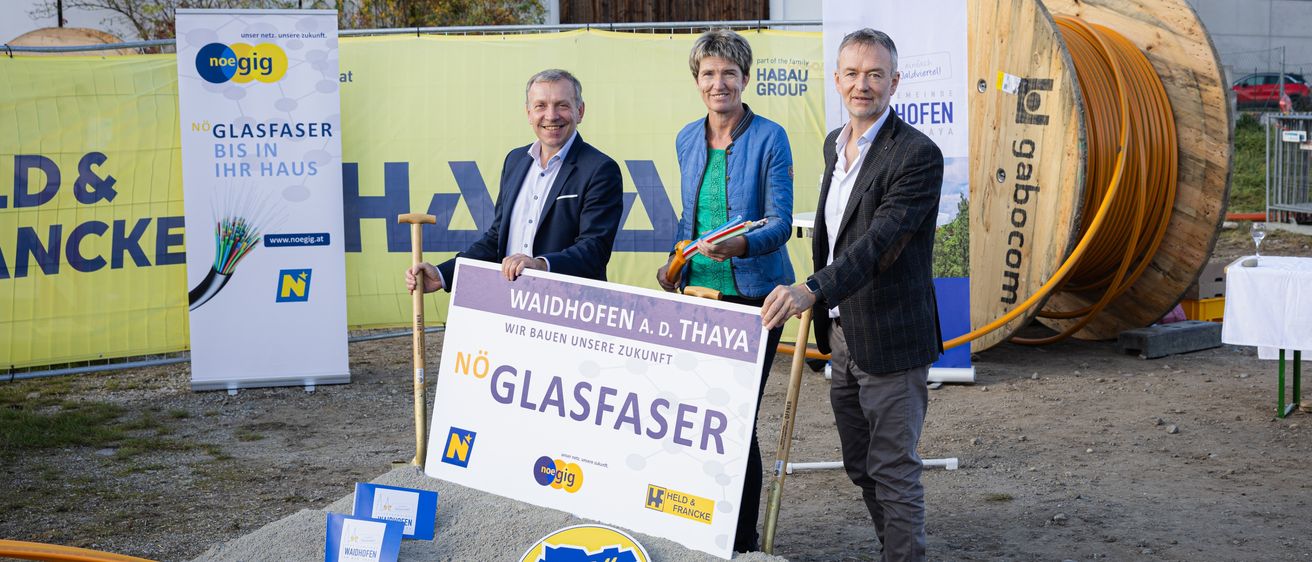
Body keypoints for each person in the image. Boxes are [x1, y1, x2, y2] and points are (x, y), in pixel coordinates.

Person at [760, 28, 943, 562]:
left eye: (875, 74)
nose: (862, 85)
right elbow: (834, 232)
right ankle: (895, 547)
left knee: (893, 466)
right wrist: (823, 300)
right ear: (837, 79)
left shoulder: (917, 154)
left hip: (891, 333)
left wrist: (810, 289)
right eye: (852, 74)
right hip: (841, 332)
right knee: (861, 464)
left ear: (894, 82)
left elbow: (879, 243)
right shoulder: (833, 144)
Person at [655, 28, 794, 553]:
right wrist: (675, 266)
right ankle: (697, 529)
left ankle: (741, 542)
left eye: (729, 74)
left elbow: (779, 223)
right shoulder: (686, 138)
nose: (719, 83)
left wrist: (739, 247)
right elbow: (689, 224)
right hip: (695, 298)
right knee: (692, 420)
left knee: (736, 420)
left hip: (753, 298)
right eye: (709, 73)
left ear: (744, 79)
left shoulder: (771, 137)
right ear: (697, 81)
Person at [406, 69, 623, 293]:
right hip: (511, 304)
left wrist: (540, 265)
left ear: (580, 111)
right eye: (540, 106)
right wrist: (444, 274)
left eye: (562, 105)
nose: (551, 115)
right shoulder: (515, 161)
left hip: (566, 308)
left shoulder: (600, 169)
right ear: (529, 113)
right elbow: (497, 238)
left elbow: (594, 249)